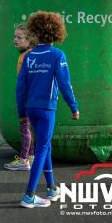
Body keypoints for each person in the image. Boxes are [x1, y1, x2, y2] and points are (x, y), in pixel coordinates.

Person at [17, 11, 80, 208]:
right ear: (56, 33)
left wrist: (22, 113)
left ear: (35, 32)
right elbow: (65, 84)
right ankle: (29, 195)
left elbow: (20, 88)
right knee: (43, 148)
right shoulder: (57, 55)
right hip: (46, 109)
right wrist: (74, 107)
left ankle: (52, 188)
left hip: (31, 108)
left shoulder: (28, 56)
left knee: (45, 145)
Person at [4, 24, 37, 171]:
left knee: (24, 128)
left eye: (19, 37)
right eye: (14, 36)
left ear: (29, 40)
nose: (15, 40)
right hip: (30, 98)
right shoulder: (26, 54)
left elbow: (29, 79)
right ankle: (30, 156)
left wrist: (24, 98)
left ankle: (24, 159)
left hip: (27, 99)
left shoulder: (27, 56)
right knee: (27, 127)